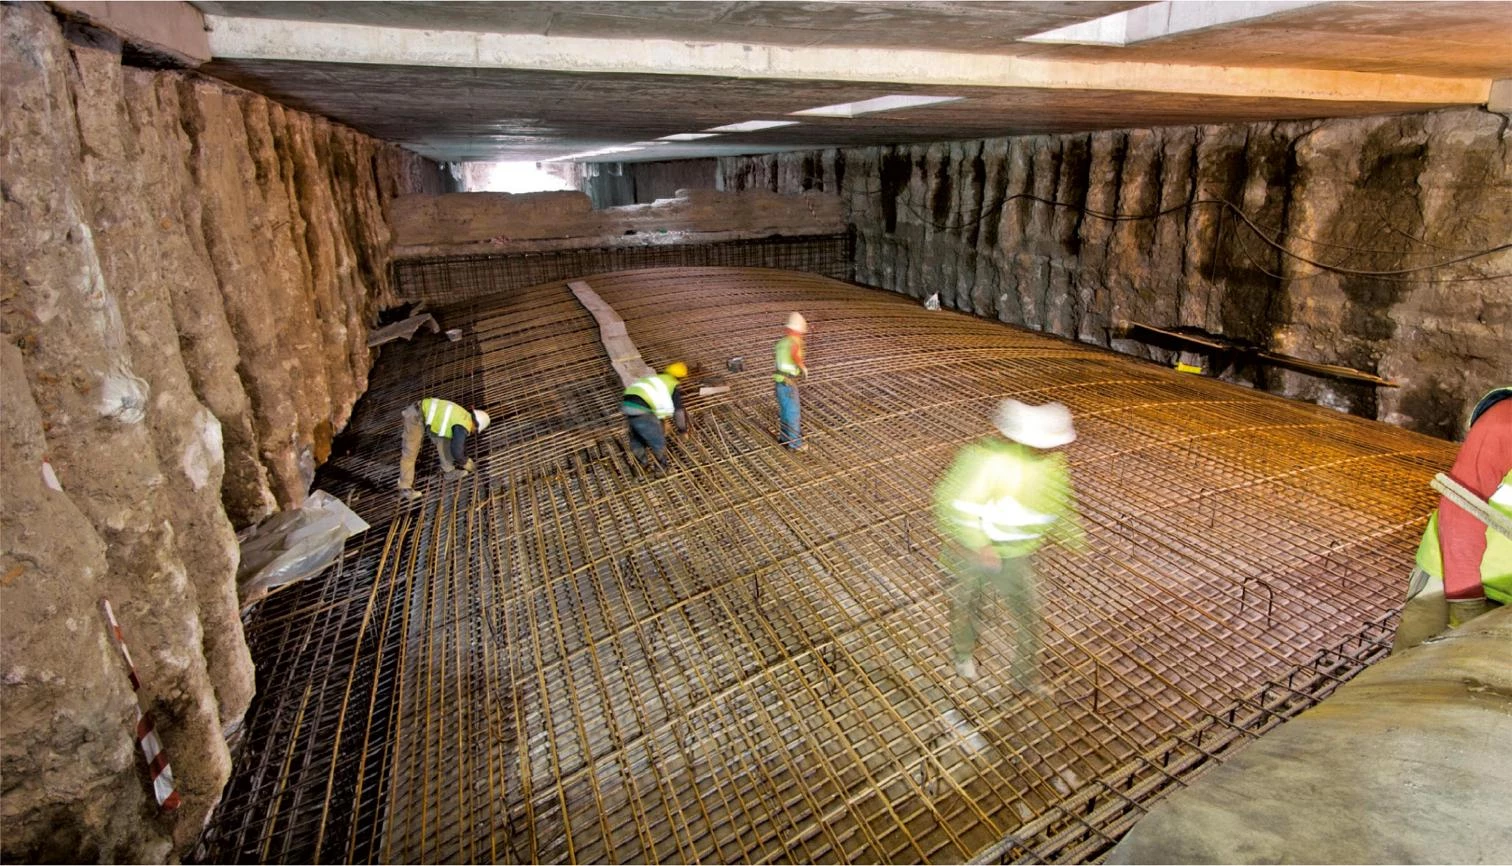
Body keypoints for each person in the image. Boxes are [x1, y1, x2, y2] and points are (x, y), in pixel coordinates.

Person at [934, 399, 1085, 686]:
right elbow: (953, 503)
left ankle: (1025, 678)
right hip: (972, 552)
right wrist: (981, 544)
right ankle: (963, 655)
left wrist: (1074, 537)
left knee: (1029, 616)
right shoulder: (987, 461)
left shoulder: (1053, 466)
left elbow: (1058, 503)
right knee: (967, 605)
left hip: (1015, 554)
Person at [1402, 386, 1511, 641]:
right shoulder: (1505, 420)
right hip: (1454, 581)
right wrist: (1466, 608)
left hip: (1506, 597)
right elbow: (1461, 515)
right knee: (1419, 673)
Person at [397, 397, 490, 500]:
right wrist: (465, 462)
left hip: (430, 417)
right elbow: (456, 450)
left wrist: (465, 457)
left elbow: (458, 442)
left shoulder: (464, 417)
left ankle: (449, 471)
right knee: (410, 452)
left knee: (445, 441)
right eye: (475, 431)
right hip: (415, 415)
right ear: (476, 425)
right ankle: (405, 488)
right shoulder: (462, 426)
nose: (473, 432)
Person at [622, 362, 689, 470]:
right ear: (679, 378)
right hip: (643, 409)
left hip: (628, 405)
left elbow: (656, 401)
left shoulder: (654, 379)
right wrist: (682, 430)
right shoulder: (672, 385)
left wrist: (663, 420)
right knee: (657, 440)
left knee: (637, 436)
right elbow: (678, 412)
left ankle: (642, 464)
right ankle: (662, 468)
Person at [774, 312, 809, 451]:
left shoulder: (781, 342)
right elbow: (794, 354)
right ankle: (795, 444)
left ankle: (784, 438)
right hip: (788, 383)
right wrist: (802, 367)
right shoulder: (794, 341)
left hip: (779, 382)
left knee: (784, 411)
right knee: (793, 413)